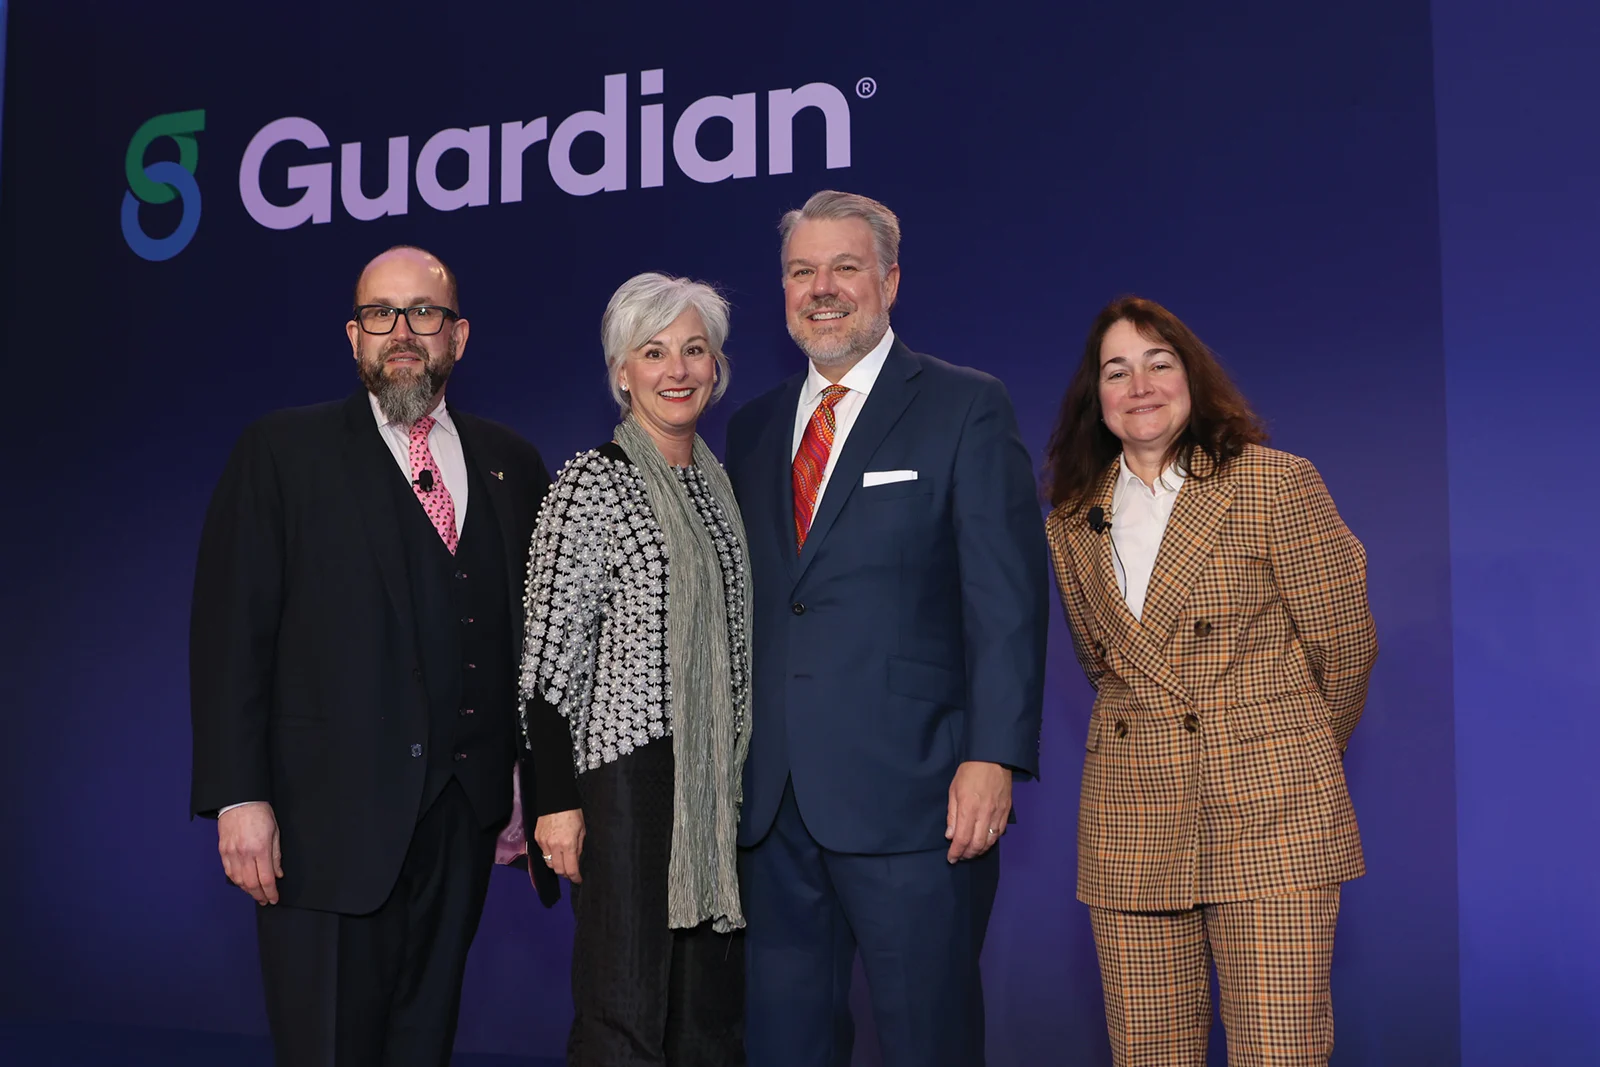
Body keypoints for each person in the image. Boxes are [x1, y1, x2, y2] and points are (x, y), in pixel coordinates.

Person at [189, 245, 558, 1066]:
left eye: (423, 314)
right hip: (323, 830)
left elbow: (527, 642)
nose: (402, 332)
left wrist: (525, 777)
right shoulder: (283, 453)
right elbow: (229, 634)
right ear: (352, 336)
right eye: (380, 315)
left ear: (457, 336)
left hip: (461, 822)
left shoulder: (512, 463)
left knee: (423, 1045)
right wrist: (236, 796)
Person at [724, 190, 1050, 1067]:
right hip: (774, 805)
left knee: (927, 1040)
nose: (821, 288)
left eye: (844, 267)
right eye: (801, 271)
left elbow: (1008, 601)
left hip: (918, 797)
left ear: (891, 280)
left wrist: (994, 756)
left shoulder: (964, 407)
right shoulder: (751, 428)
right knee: (783, 1045)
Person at [1041, 296, 1379, 1067]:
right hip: (1132, 819)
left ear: (1192, 377)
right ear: (1096, 396)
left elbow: (1347, 645)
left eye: (1159, 363)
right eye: (1117, 371)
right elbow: (1104, 664)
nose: (1141, 385)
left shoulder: (1273, 483)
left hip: (1272, 816)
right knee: (1148, 1053)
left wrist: (1290, 752)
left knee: (1279, 1052)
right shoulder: (1070, 516)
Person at [520, 272, 752, 1065]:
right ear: (623, 371)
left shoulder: (721, 487)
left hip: (714, 787)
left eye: (694, 350)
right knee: (623, 1016)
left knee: (707, 1024)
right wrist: (554, 804)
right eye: (654, 352)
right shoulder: (593, 481)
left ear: (715, 368)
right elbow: (548, 664)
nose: (677, 369)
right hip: (626, 784)